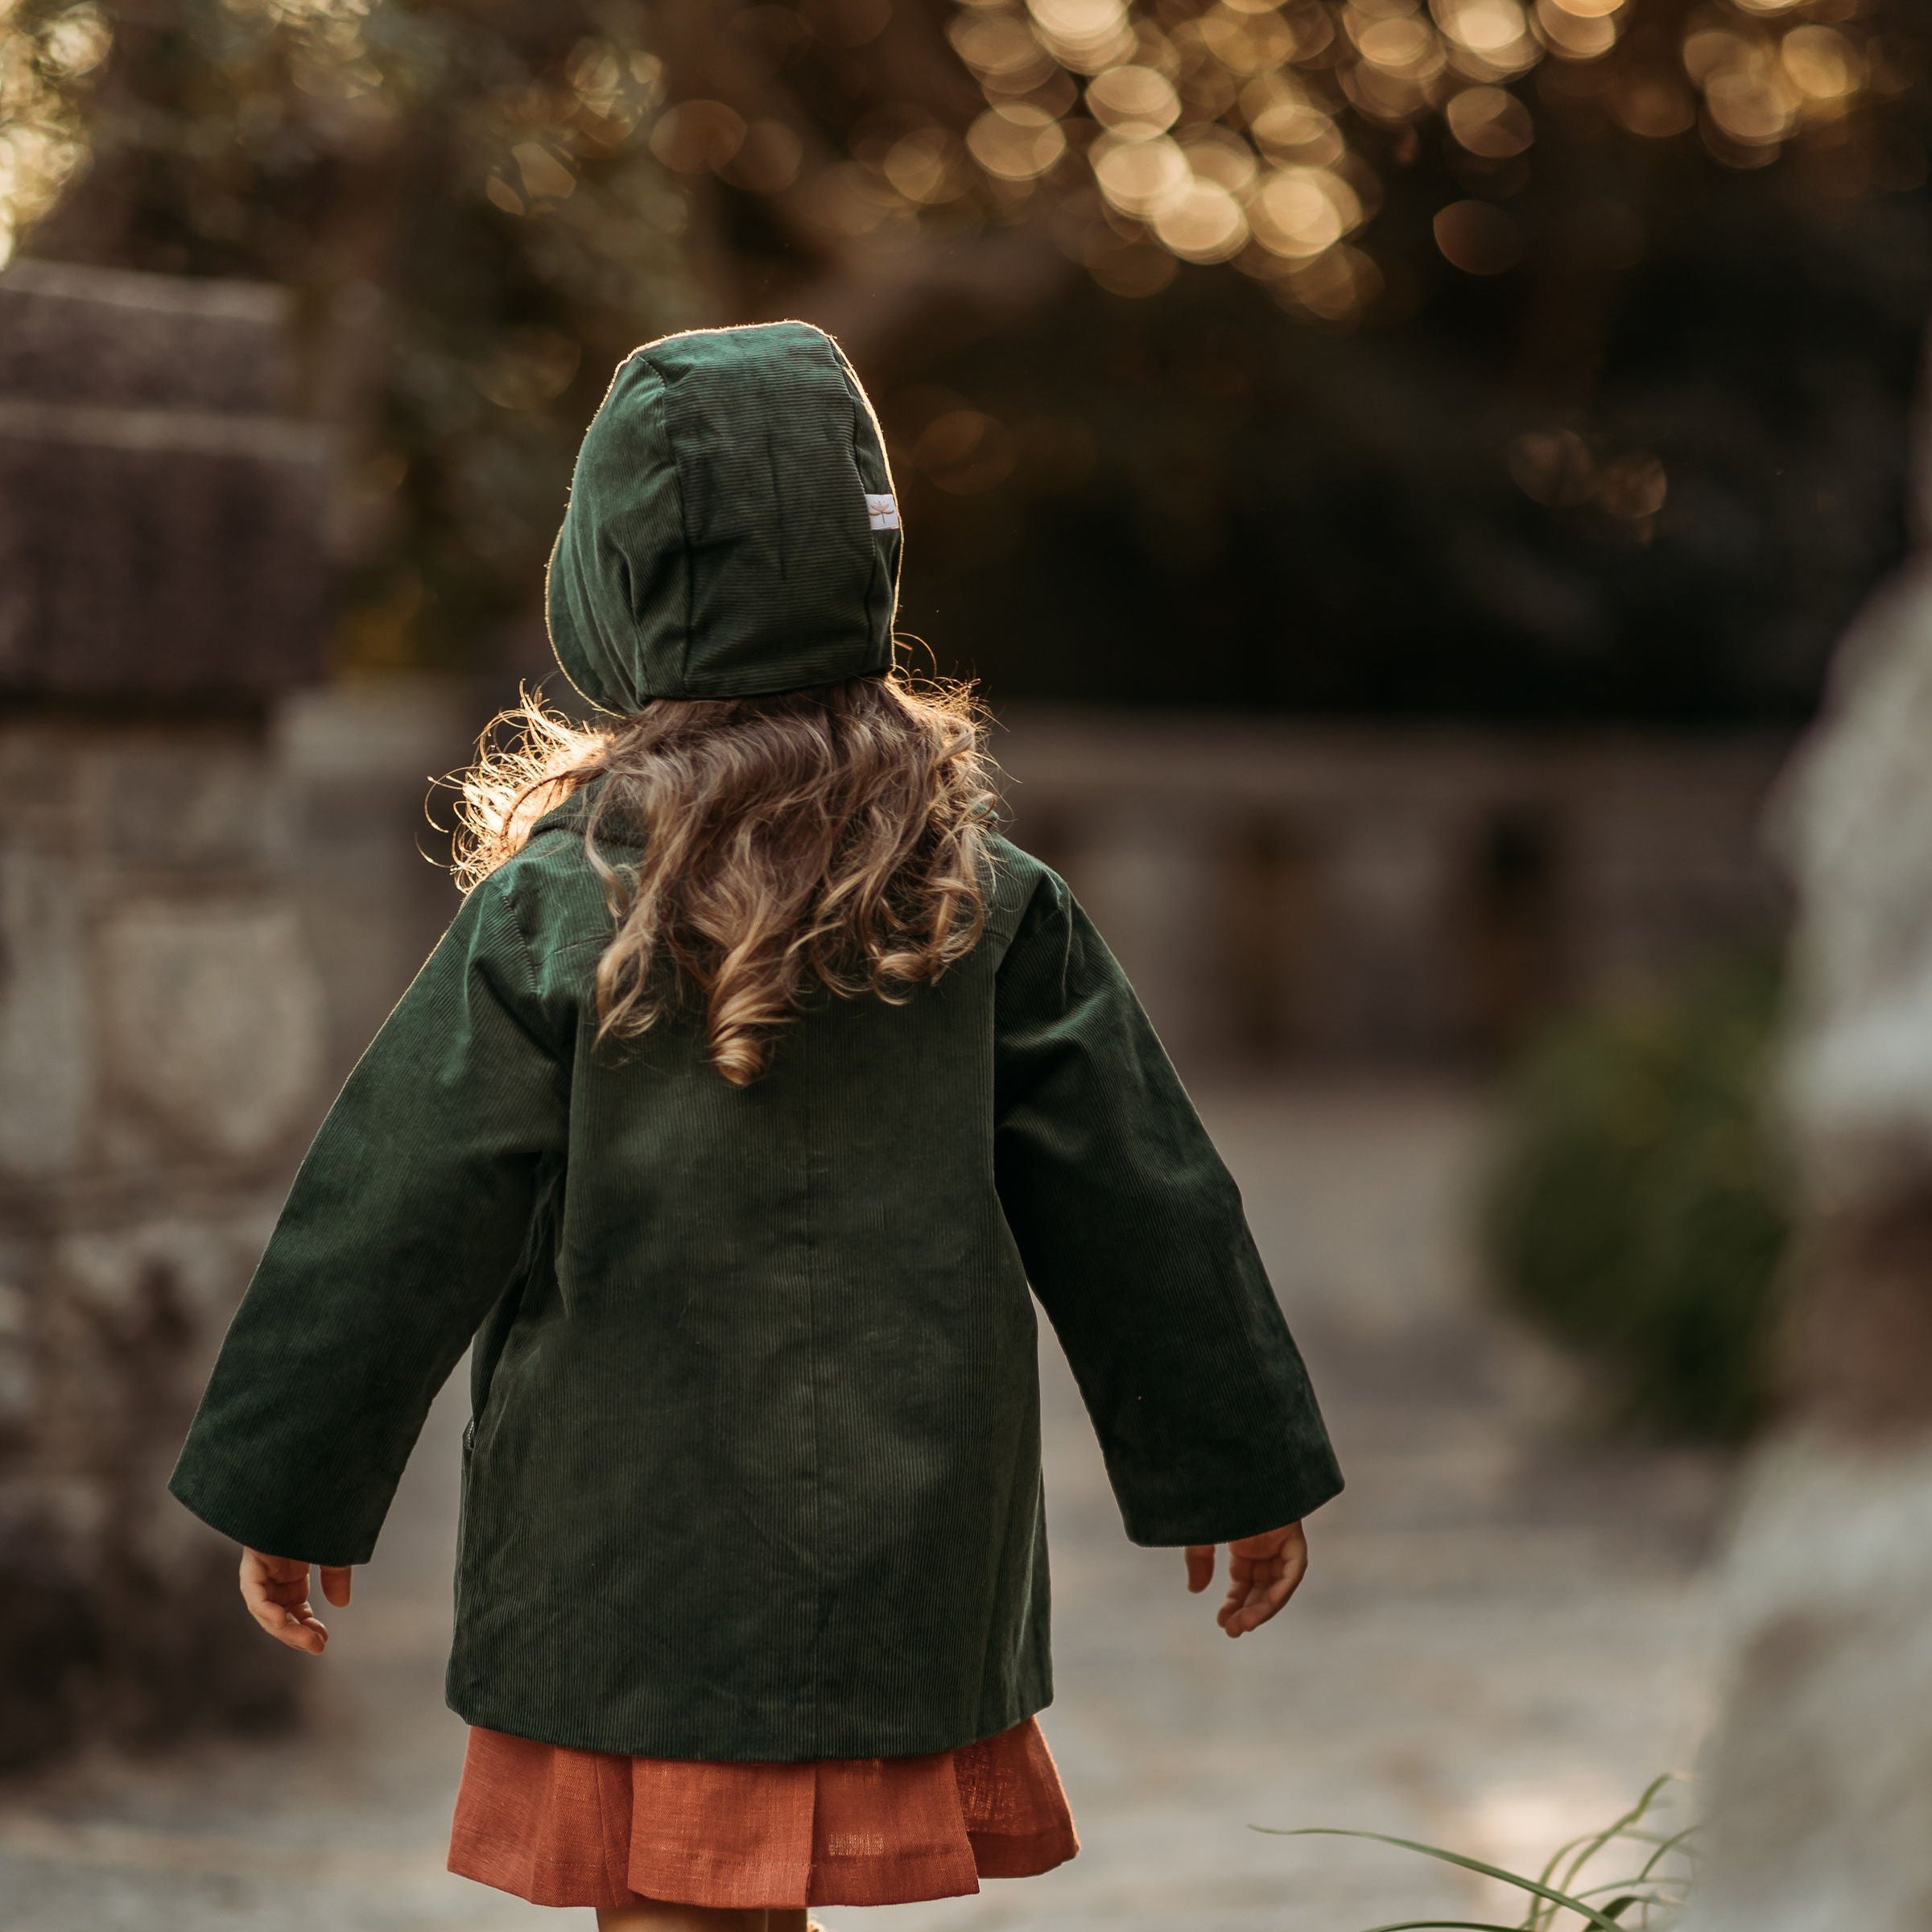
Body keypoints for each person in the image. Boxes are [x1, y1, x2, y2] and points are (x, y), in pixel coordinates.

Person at [169, 320, 1343, 1930]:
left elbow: (391, 1205)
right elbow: (1144, 1201)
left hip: (624, 1546)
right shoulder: (991, 906)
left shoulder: (554, 908)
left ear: (613, 585)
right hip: (902, 1538)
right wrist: (1237, 1463)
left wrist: (292, 1478)